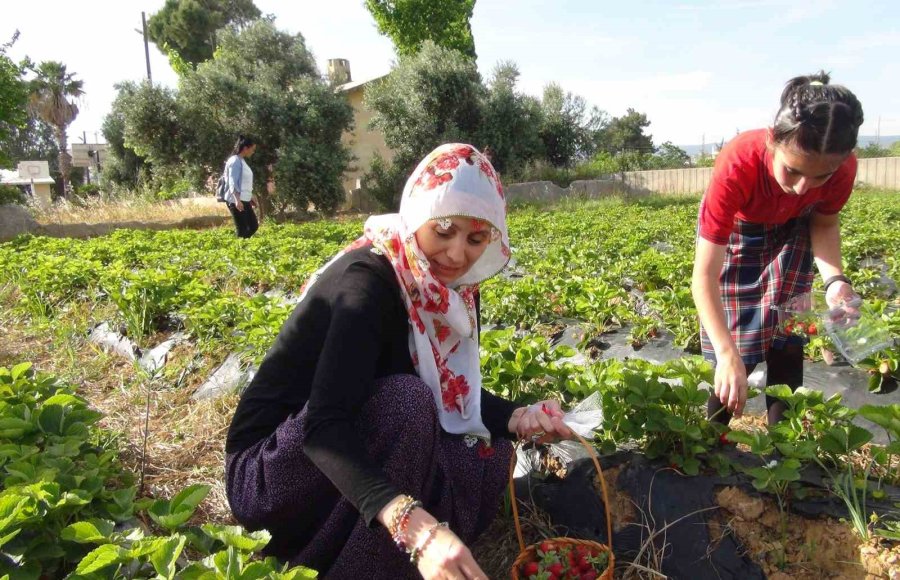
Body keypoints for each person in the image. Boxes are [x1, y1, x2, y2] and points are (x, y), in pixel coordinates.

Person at [225, 143, 573, 578]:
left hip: (352, 436)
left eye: (475, 239)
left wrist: (517, 417)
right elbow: (325, 427)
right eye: (443, 230)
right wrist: (411, 524)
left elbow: (448, 388)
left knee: (490, 451)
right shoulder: (366, 285)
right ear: (417, 213)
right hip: (271, 472)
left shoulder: (452, 290)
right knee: (407, 405)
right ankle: (341, 564)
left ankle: (395, 557)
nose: (456, 254)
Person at [691, 71, 864, 426]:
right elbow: (705, 277)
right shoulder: (739, 163)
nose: (802, 187)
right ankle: (710, 440)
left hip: (796, 229)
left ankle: (783, 445)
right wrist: (725, 352)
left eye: (820, 177)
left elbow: (824, 223)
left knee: (788, 334)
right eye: (793, 170)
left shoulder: (843, 168)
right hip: (742, 232)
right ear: (773, 140)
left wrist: (835, 281)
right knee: (736, 343)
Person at [224, 135, 259, 239]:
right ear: (245, 148)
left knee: (253, 226)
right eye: (252, 149)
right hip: (236, 200)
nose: (253, 152)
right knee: (242, 230)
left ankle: (243, 246)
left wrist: (250, 196)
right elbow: (232, 181)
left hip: (245, 199)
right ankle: (238, 247)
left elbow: (244, 182)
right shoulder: (235, 161)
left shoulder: (241, 161)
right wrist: (237, 200)